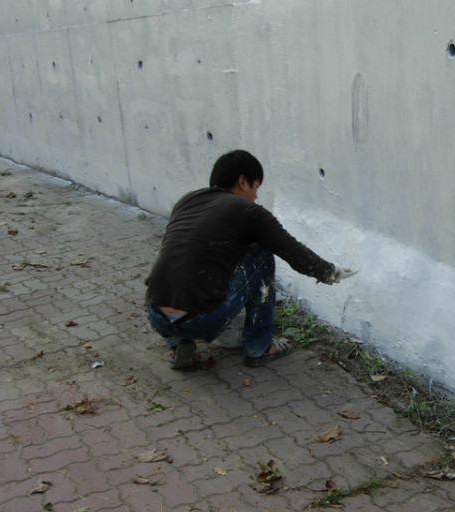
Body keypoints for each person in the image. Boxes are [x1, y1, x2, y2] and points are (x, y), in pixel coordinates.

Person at [145, 150, 356, 369]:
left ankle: (179, 343)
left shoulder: (187, 200)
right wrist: (329, 271)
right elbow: (292, 251)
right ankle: (260, 347)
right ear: (242, 181)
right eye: (256, 187)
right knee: (262, 255)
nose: (255, 196)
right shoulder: (248, 210)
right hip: (203, 320)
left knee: (186, 267)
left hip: (156, 314)